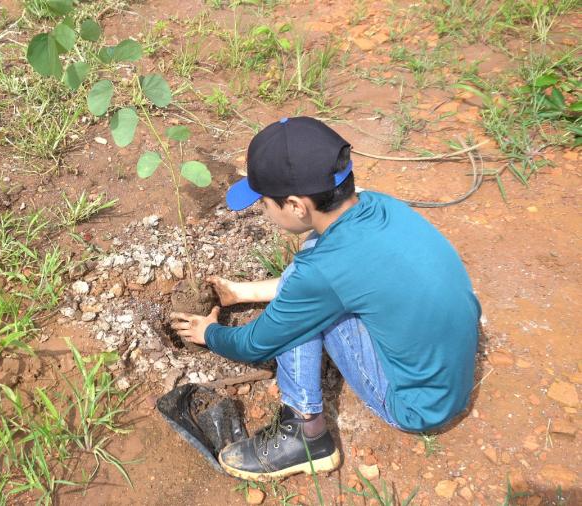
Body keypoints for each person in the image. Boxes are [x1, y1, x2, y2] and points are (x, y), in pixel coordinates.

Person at [170, 117, 480, 481]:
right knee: (316, 254)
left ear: (297, 206)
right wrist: (243, 293)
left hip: (417, 404)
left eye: (265, 204)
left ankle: (306, 435)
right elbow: (326, 274)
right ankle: (260, 298)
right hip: (445, 368)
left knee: (300, 312)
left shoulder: (324, 271)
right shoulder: (377, 205)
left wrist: (209, 334)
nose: (264, 211)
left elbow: (255, 345)